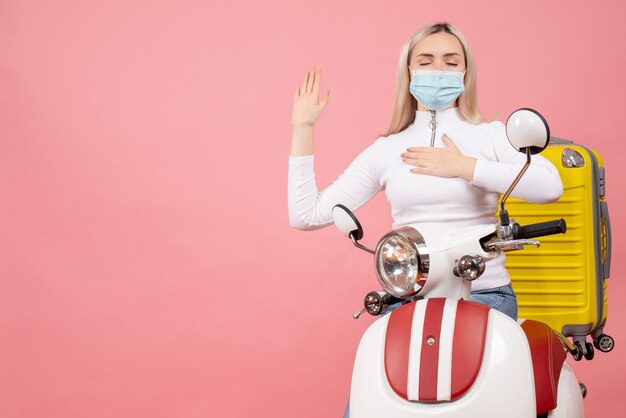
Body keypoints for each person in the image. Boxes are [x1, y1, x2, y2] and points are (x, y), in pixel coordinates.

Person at [289, 21, 561, 330]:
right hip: (411, 297)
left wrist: (465, 167)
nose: (439, 69)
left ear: (465, 73)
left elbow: (550, 186)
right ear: (408, 71)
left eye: (451, 61)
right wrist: (303, 128)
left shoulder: (490, 135)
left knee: (453, 350)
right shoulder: (386, 149)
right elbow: (305, 215)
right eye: (426, 60)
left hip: (483, 292)